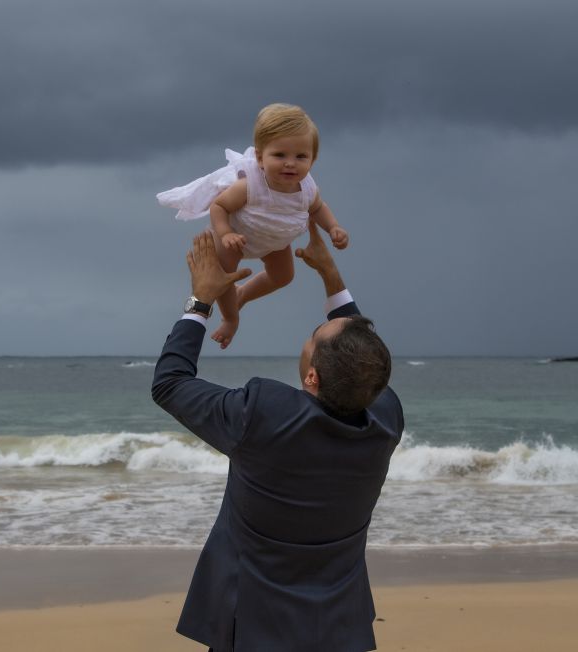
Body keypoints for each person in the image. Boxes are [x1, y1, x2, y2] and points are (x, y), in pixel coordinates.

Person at [151, 224, 404, 651]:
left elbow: (170, 384)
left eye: (313, 338)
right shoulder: (383, 419)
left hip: (250, 627)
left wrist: (201, 302)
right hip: (340, 630)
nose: (311, 333)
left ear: (311, 377)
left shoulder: (263, 414)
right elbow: (362, 355)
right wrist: (331, 277)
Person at [157, 103, 349, 349]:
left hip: (274, 240)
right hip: (237, 235)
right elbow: (219, 206)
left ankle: (243, 294)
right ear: (260, 157)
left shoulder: (308, 189)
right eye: (279, 155)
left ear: (312, 160)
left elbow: (318, 208)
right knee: (224, 277)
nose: (290, 163)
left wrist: (333, 228)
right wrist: (225, 233)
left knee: (284, 276)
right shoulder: (250, 185)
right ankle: (230, 318)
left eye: (301, 156)